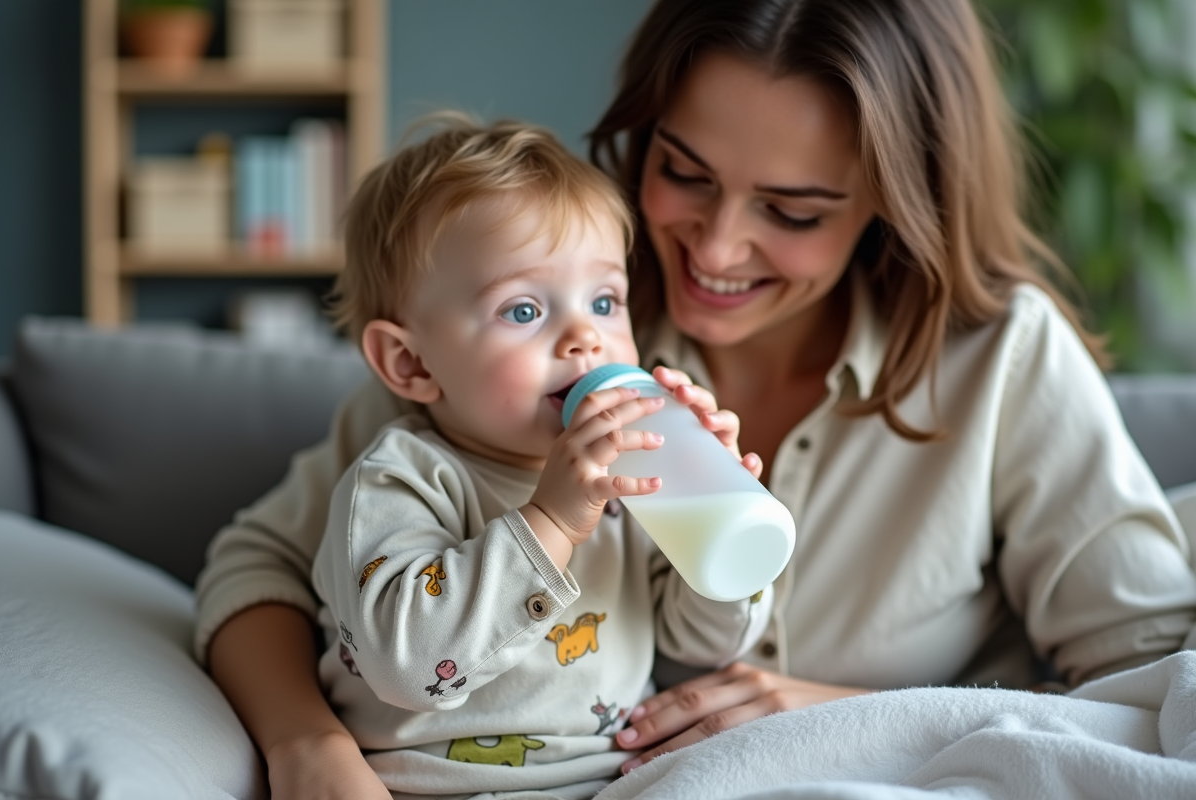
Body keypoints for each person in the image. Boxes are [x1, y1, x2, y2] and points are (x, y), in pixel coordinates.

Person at [194, 0, 1196, 797]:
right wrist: (305, 746)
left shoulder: (1000, 361)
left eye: (792, 210)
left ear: (898, 200)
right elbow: (265, 564)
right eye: (684, 173)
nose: (713, 251)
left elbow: (1144, 680)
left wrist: (850, 708)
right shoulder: (510, 349)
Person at [301, 116, 772, 799]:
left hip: (620, 779)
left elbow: (697, 647)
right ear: (410, 362)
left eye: (605, 300)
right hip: (438, 784)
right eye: (523, 311)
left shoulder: (631, 472)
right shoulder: (399, 480)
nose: (585, 336)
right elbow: (407, 668)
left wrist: (717, 510)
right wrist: (551, 521)